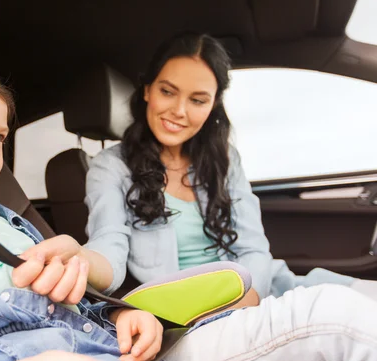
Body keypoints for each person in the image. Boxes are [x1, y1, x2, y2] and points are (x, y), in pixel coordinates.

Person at [0, 44, 377, 361]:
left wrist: (123, 314)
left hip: (124, 352)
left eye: (0, 137)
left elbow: (74, 306)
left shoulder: (5, 220)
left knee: (336, 312)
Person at [83, 32, 377, 301]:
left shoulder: (224, 158)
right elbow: (108, 245)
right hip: (194, 311)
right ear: (147, 90)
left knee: (362, 298)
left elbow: (254, 250)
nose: (179, 111)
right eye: (168, 92)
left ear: (212, 106)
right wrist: (80, 264)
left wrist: (247, 303)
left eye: (197, 100)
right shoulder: (111, 168)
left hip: (263, 291)